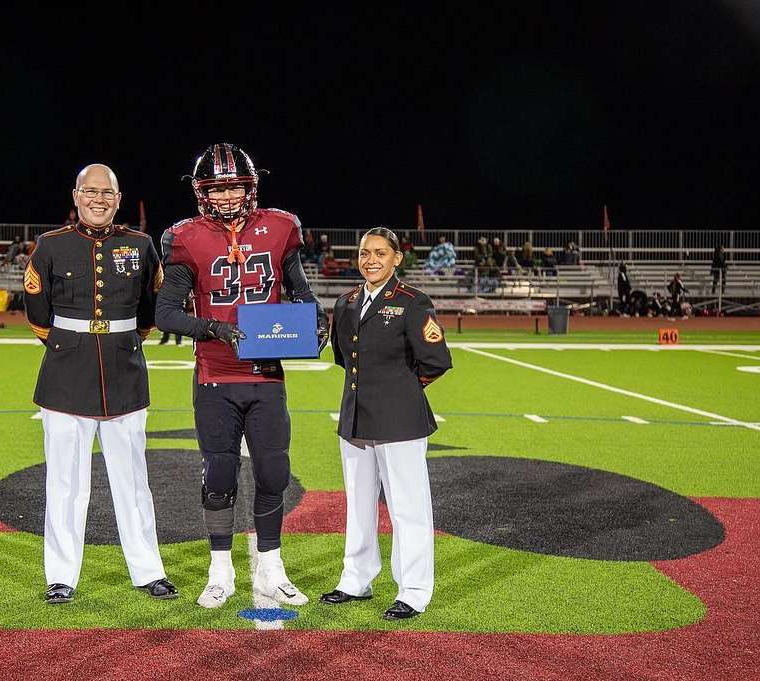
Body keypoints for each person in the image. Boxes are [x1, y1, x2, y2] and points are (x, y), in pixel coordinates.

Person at [155, 143, 328, 609]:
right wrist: (215, 329)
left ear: (250, 187)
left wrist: (314, 320)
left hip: (267, 375)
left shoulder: (281, 228)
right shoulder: (186, 237)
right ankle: (220, 569)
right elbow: (166, 312)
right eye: (218, 188)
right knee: (220, 476)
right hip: (216, 375)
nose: (227, 196)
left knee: (275, 471)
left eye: (234, 186)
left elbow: (301, 292)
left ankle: (272, 567)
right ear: (201, 191)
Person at [24, 163, 177, 605]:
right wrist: (72, 346)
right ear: (75, 196)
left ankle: (148, 571)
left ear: (118, 197)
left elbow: (151, 309)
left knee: (132, 482)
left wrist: (120, 341)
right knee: (66, 482)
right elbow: (37, 311)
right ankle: (61, 576)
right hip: (65, 377)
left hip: (124, 372)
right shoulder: (50, 246)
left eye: (106, 192)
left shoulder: (141, 244)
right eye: (89, 191)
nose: (98, 199)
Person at [323, 226, 452, 621]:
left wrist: (400, 392)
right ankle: (356, 579)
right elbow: (345, 360)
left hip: (400, 422)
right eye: (365, 253)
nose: (371, 260)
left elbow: (435, 360)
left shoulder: (414, 302)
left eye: (380, 253)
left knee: (408, 508)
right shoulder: (346, 303)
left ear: (397, 258)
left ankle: (413, 591)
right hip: (356, 420)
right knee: (359, 506)